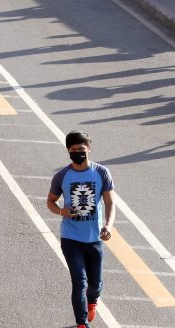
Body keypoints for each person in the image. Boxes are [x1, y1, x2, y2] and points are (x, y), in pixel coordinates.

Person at [46, 131, 116, 328]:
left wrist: (108, 225)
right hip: (71, 238)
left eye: (82, 150)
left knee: (95, 285)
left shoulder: (101, 173)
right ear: (68, 150)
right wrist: (62, 211)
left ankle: (92, 300)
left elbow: (110, 202)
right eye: (74, 150)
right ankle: (82, 324)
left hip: (94, 238)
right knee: (79, 282)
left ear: (89, 149)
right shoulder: (62, 176)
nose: (78, 153)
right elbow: (50, 201)